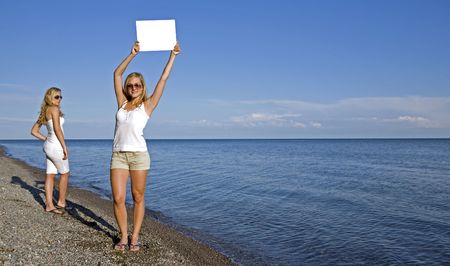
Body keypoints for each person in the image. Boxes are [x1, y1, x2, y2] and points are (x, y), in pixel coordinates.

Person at [111, 41, 181, 251]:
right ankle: (123, 236)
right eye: (130, 85)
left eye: (137, 85)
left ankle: (135, 237)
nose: (133, 87)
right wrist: (132, 54)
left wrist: (173, 56)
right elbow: (116, 74)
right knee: (118, 198)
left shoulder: (147, 105)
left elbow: (163, 79)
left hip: (139, 155)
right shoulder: (122, 103)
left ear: (142, 88)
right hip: (119, 155)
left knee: (138, 197)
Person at [31, 87, 70, 215]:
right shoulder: (54, 109)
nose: (59, 99)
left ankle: (49, 205)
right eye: (56, 97)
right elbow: (58, 129)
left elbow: (34, 131)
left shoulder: (45, 111)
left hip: (48, 145)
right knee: (65, 173)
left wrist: (46, 139)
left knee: (50, 174)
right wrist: (64, 146)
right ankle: (61, 202)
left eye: (60, 97)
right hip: (56, 146)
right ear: (50, 97)